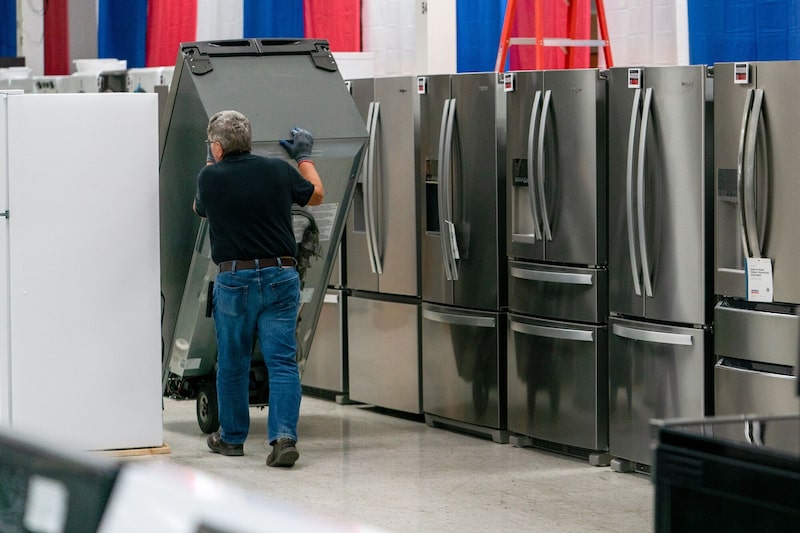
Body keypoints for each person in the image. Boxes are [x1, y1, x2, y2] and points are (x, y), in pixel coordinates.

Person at [193, 110, 324, 467]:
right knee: (282, 362)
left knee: (232, 363)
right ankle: (283, 439)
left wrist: (210, 162)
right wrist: (303, 156)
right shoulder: (278, 171)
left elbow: (200, 209)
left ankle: (232, 439)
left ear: (217, 147)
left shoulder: (209, 178)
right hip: (281, 277)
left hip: (235, 281)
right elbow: (317, 195)